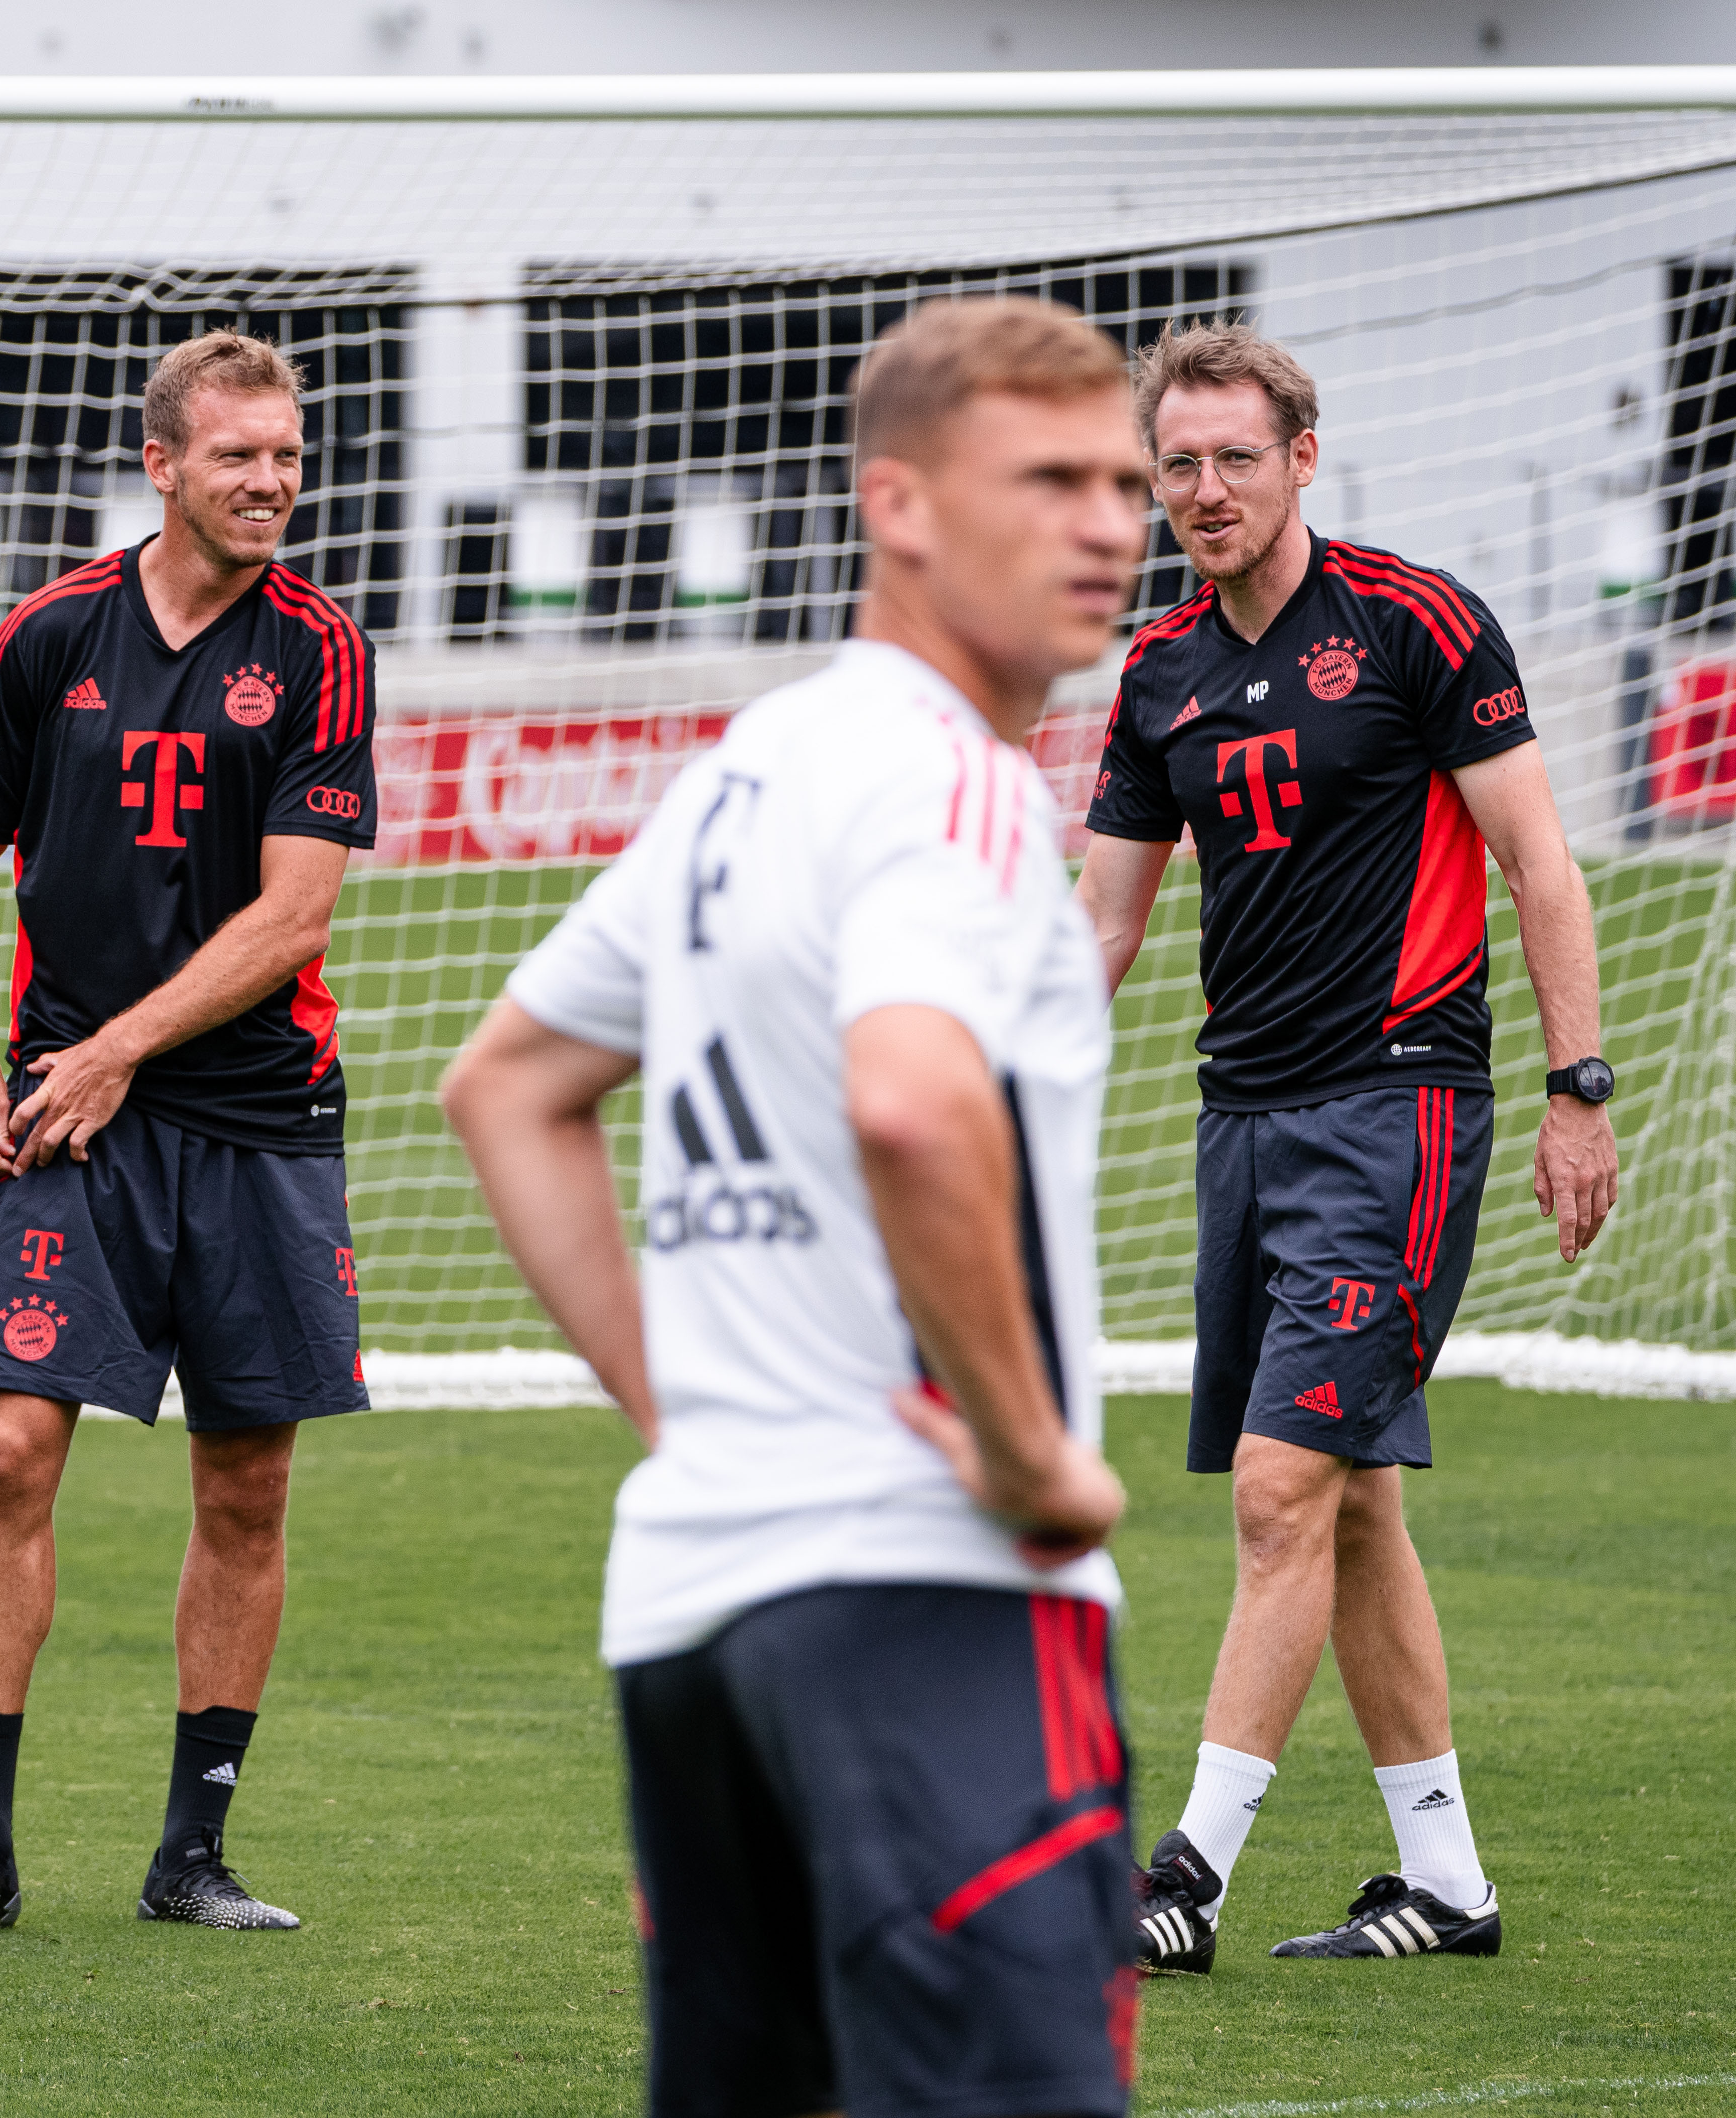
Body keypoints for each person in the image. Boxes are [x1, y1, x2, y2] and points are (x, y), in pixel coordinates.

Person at [440, 296, 1146, 2118]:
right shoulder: (959, 789)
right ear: (896, 503)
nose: (1105, 523)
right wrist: (1028, 1458)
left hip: (695, 1600)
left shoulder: (751, 770)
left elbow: (502, 1087)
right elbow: (908, 1102)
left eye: (1124, 480)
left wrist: (705, 1423)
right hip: (927, 1591)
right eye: (1047, 476)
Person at [1078, 323, 1618, 1970]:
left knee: (1279, 1486)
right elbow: (1092, 933)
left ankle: (1183, 1876)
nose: (1206, 488)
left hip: (1400, 1112)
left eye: (1238, 456)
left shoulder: (1415, 621)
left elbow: (1536, 858)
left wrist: (1576, 1085)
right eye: (1179, 462)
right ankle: (1445, 1881)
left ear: (1303, 457)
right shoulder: (1157, 670)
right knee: (1358, 1501)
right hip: (1241, 1121)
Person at [0, 329, 378, 1943]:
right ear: (160, 463)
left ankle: (192, 1852)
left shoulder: (317, 650)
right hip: (58, 1123)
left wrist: (114, 1048)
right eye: (239, 455)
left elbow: (293, 913)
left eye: (289, 455)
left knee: (246, 1485)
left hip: (256, 1118)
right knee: (11, 1448)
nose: (272, 482)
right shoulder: (47, 636)